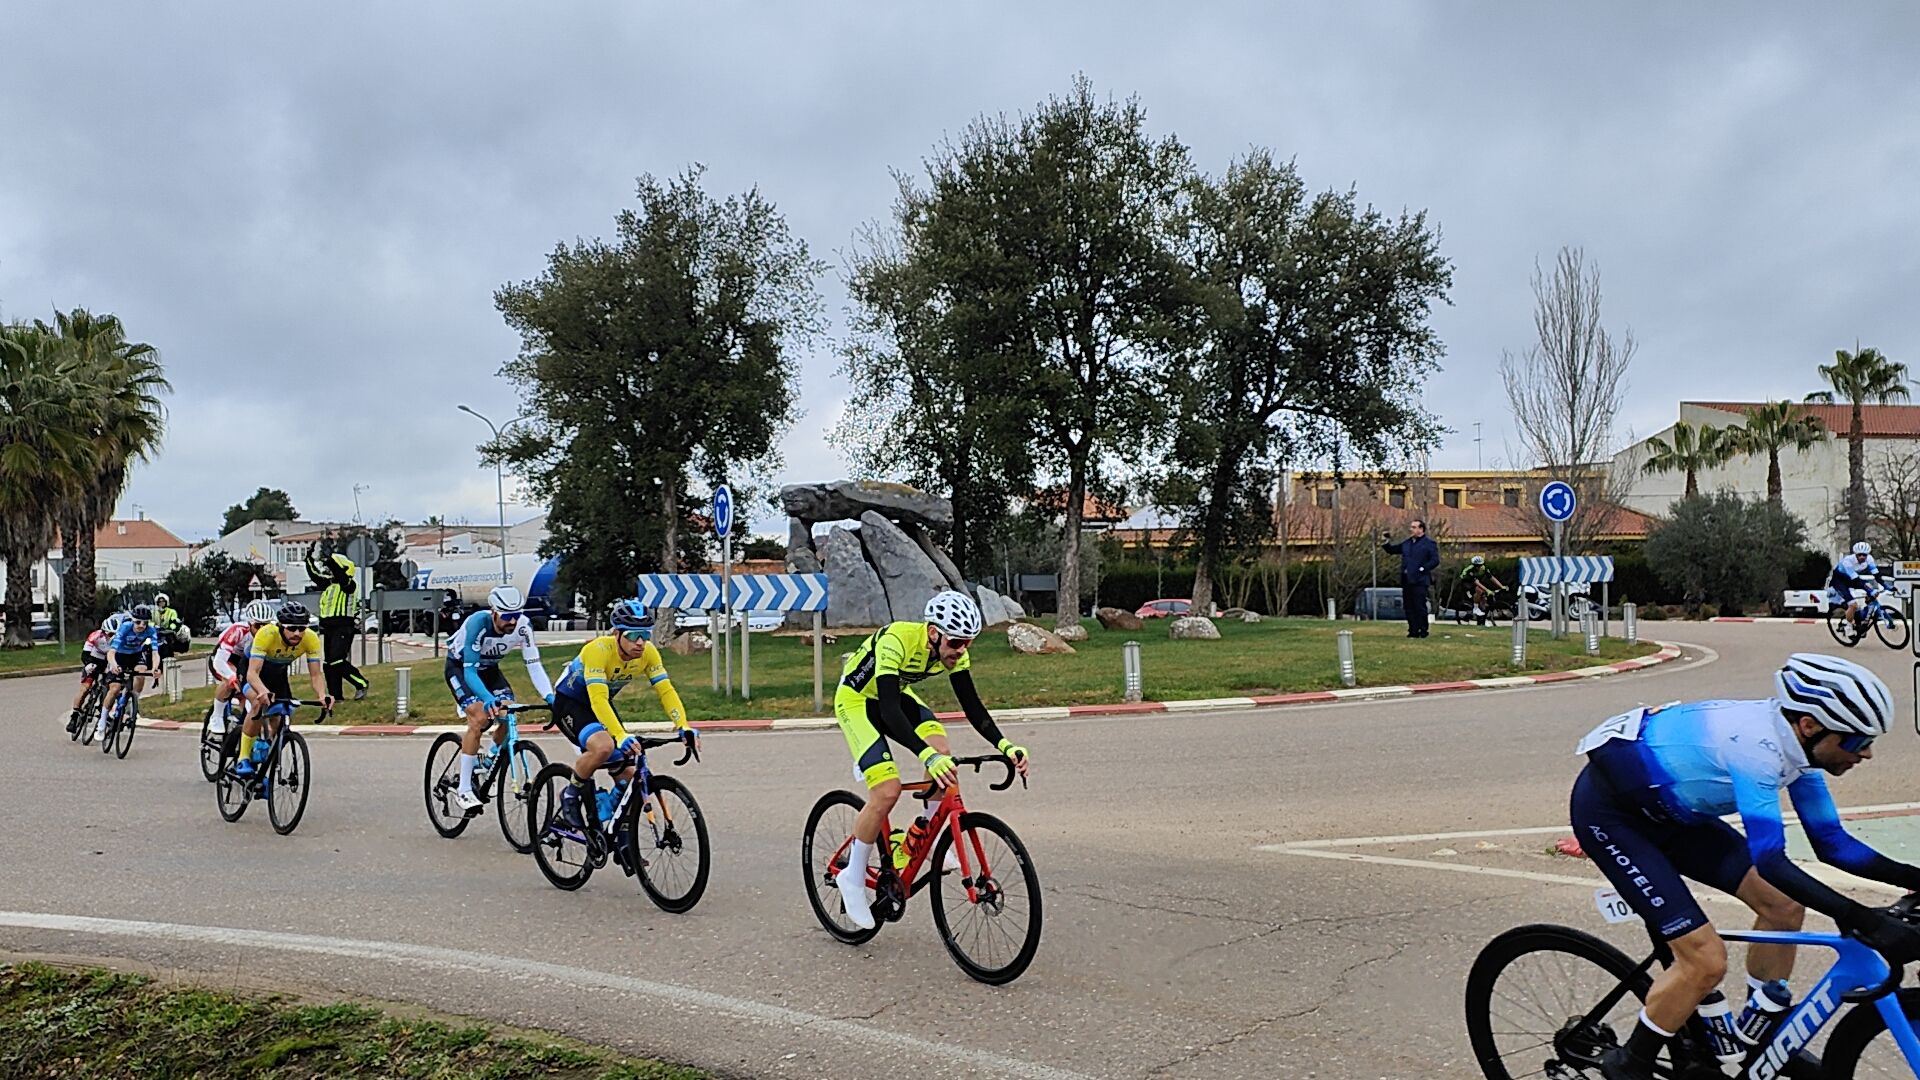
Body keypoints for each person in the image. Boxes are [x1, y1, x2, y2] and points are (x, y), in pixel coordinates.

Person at [1570, 653, 1920, 1080]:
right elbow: (1770, 860)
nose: (1866, 753)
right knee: (1705, 961)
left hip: (1676, 817)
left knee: (1784, 907)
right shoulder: (1756, 747)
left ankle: (1759, 1035)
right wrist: (1859, 917)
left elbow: (1832, 844)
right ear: (1810, 725)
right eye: (1855, 741)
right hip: (1614, 819)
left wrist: (1912, 878)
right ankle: (1630, 1063)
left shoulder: (1800, 752)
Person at [830, 590, 1032, 931]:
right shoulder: (897, 639)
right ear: (934, 632)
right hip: (857, 701)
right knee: (887, 791)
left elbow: (972, 707)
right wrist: (926, 756)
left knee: (942, 751)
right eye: (955, 642)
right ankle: (852, 877)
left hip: (892, 698)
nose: (960, 651)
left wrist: (1006, 745)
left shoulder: (954, 651)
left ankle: (927, 835)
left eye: (968, 643)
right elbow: (891, 712)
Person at [547, 601, 697, 845]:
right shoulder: (598, 650)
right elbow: (597, 699)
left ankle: (622, 838)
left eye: (645, 635)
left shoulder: (648, 653)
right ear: (616, 634)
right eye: (634, 635)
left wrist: (684, 726)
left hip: (602, 704)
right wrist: (620, 735)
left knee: (630, 778)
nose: (640, 642)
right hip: (571, 702)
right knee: (604, 746)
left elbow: (665, 690)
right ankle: (571, 794)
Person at [444, 584, 555, 813]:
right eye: (507, 616)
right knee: (480, 719)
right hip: (462, 669)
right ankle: (464, 788)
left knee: (508, 714)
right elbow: (470, 672)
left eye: (517, 615)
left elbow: (534, 665)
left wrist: (550, 696)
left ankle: (489, 759)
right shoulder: (478, 623)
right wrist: (485, 699)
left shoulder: (523, 627)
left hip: (490, 670)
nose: (513, 622)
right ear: (494, 612)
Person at [236, 602, 334, 777]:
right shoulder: (266, 634)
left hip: (278, 675)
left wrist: (321, 695)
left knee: (281, 715)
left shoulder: (310, 638)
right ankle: (243, 758)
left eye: (302, 628)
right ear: (281, 626)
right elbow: (252, 673)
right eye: (292, 628)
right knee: (258, 704)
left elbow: (316, 675)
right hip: (253, 672)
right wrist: (262, 691)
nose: (297, 633)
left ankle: (269, 759)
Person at [306, 548, 370, 702]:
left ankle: (361, 683)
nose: (330, 571)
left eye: (333, 568)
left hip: (343, 626)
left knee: (337, 660)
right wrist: (308, 558)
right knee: (328, 664)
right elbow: (314, 575)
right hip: (328, 627)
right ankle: (336, 696)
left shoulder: (348, 584)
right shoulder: (329, 584)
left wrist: (330, 561)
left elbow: (341, 575)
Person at [204, 601, 272, 737]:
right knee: (231, 682)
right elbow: (219, 661)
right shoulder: (238, 631)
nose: (261, 630)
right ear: (250, 623)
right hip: (227, 658)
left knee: (250, 694)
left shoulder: (271, 634)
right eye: (258, 625)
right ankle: (216, 717)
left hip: (247, 661)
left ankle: (243, 730)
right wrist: (231, 677)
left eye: (266, 626)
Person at [97, 605, 162, 740]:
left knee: (142, 671)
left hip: (136, 655)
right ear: (132, 620)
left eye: (145, 623)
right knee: (114, 689)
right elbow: (111, 652)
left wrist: (155, 668)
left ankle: (133, 702)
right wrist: (114, 665)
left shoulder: (151, 631)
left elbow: (155, 653)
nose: (142, 626)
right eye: (138, 622)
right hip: (119, 656)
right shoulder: (125, 627)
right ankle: (102, 723)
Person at [1381, 519, 1440, 638]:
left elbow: (1435, 560)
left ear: (1421, 529)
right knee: (1409, 606)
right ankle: (1412, 630)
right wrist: (1386, 542)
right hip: (1406, 580)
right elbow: (1392, 550)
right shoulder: (1407, 543)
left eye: (1414, 527)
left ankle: (1423, 630)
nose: (1411, 529)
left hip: (1420, 580)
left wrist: (1422, 569)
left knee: (1419, 606)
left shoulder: (1429, 544)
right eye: (1411, 527)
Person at [68, 612, 125, 733]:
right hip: (94, 658)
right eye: (109, 634)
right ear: (104, 632)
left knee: (110, 687)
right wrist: (88, 664)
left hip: (108, 661)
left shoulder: (120, 638)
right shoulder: (95, 636)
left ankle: (104, 710)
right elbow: (85, 654)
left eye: (114, 634)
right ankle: (75, 715)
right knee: (85, 688)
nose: (111, 636)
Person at [1827, 541, 1888, 639]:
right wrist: (1870, 590)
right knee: (1853, 604)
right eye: (1859, 555)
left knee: (1871, 592)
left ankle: (1861, 619)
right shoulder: (1847, 561)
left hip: (1852, 580)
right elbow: (1857, 580)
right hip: (1840, 581)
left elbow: (1876, 575)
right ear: (1855, 554)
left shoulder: (1869, 559)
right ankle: (1848, 626)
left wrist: (1885, 586)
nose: (1862, 557)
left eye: (1864, 555)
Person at [1458, 556, 1506, 626]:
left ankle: (1482, 618)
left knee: (1484, 597)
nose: (1479, 567)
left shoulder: (1484, 568)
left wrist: (1501, 586)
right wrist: (1487, 590)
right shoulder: (1470, 570)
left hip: (1476, 582)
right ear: (1474, 565)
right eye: (1477, 566)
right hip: (1466, 583)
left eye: (1480, 565)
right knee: (1479, 590)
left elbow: (1492, 578)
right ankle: (1475, 608)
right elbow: (1476, 583)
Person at [151, 592, 185, 671]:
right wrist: (152, 626)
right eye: (159, 602)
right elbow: (150, 621)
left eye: (163, 602)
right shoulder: (154, 612)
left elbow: (173, 620)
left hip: (167, 632)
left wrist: (171, 627)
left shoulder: (171, 611)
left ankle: (170, 660)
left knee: (169, 643)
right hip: (156, 632)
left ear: (166, 602)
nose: (161, 603)